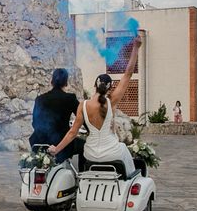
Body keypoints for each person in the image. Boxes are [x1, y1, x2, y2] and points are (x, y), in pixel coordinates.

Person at [50, 36, 143, 176]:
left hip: (91, 153)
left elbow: (72, 133)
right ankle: (128, 180)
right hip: (112, 152)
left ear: (94, 85)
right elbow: (128, 74)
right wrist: (136, 47)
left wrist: (56, 149)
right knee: (124, 151)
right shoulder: (111, 102)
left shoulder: (83, 105)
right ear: (110, 89)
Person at [29, 69, 84, 169]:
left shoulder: (40, 99)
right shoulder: (70, 98)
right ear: (66, 82)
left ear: (52, 81)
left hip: (40, 143)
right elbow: (82, 117)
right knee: (84, 145)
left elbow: (34, 123)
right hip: (62, 145)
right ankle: (82, 177)